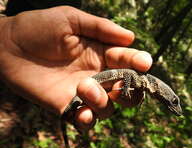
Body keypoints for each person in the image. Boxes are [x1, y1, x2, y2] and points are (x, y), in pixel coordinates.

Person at [0, 3, 152, 131]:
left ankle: (71, 122)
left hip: (92, 82)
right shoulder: (139, 77)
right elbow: (127, 75)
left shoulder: (143, 81)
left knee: (84, 109)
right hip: (97, 78)